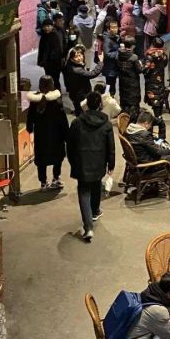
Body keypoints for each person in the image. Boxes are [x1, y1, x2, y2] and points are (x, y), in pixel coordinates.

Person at [67, 90, 114, 242]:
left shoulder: (77, 122)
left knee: (84, 192)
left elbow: (70, 145)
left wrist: (72, 161)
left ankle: (88, 227)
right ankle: (95, 211)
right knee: (96, 186)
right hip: (99, 161)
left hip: (81, 162)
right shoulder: (106, 123)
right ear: (100, 105)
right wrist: (111, 164)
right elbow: (111, 146)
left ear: (86, 105)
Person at [26, 75, 69, 191]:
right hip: (56, 135)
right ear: (52, 85)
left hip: (41, 135)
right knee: (58, 157)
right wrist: (67, 135)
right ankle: (56, 178)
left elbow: (30, 118)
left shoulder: (34, 102)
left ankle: (43, 182)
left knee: (41, 159)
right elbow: (63, 120)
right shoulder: (57, 101)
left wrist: (30, 129)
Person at [125, 110, 170, 189]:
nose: (150, 127)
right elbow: (157, 153)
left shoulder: (128, 130)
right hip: (147, 166)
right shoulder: (144, 135)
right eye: (150, 125)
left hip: (138, 160)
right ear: (146, 123)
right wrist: (168, 151)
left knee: (167, 153)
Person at [63, 46, 103, 116]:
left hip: (74, 92)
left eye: (80, 55)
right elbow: (93, 74)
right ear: (72, 58)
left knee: (77, 107)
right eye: (76, 56)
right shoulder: (77, 70)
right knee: (83, 110)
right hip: (81, 94)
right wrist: (101, 62)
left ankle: (78, 113)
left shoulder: (69, 64)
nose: (79, 58)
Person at [143, 37, 168, 139]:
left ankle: (152, 132)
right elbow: (164, 65)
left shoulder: (149, 55)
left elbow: (145, 70)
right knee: (158, 107)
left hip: (151, 83)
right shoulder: (164, 55)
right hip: (160, 83)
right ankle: (161, 133)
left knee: (155, 108)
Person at [116, 36, 143, 121]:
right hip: (132, 83)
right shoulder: (134, 57)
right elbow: (139, 70)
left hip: (122, 82)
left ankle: (123, 120)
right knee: (133, 103)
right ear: (133, 46)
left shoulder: (118, 54)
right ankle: (133, 121)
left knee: (124, 102)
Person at [36, 18, 64, 90]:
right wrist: (41, 61)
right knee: (48, 79)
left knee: (56, 79)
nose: (46, 28)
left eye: (48, 26)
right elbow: (41, 50)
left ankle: (57, 93)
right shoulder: (43, 36)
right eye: (45, 26)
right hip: (47, 63)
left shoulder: (54, 36)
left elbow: (58, 50)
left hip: (55, 63)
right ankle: (50, 93)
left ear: (52, 26)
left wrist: (54, 59)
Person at [100, 18, 120, 96]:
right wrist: (119, 52)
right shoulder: (107, 40)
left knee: (112, 84)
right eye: (113, 27)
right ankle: (108, 98)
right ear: (108, 29)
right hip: (109, 68)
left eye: (116, 27)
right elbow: (107, 54)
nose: (115, 29)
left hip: (113, 67)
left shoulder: (115, 37)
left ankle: (110, 97)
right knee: (109, 86)